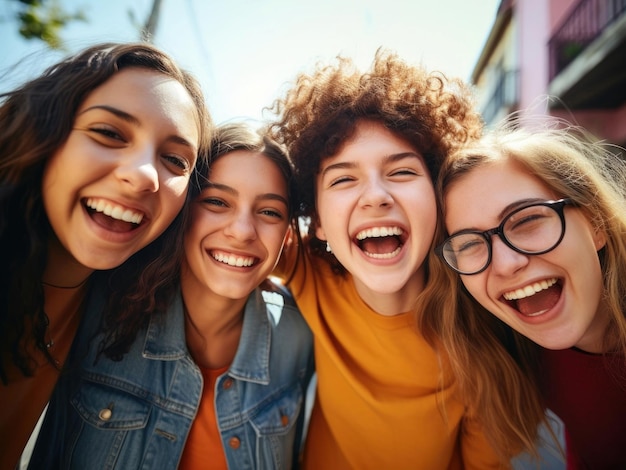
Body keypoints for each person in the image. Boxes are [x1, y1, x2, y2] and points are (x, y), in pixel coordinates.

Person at [28, 122, 314, 469]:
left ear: (286, 235)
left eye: (269, 211)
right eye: (217, 201)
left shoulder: (298, 336)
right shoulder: (96, 313)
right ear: (182, 212)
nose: (241, 231)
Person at [268, 50, 505, 468]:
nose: (376, 195)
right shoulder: (310, 269)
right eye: (344, 178)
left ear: (438, 200)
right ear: (318, 220)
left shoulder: (480, 331)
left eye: (402, 172)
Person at [0, 42, 212, 469]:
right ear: (46, 132)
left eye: (175, 159)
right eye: (109, 133)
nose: (143, 176)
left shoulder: (125, 295)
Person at [434, 121, 626, 468]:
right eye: (470, 244)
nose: (507, 264)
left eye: (526, 221)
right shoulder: (511, 359)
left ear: (596, 223)